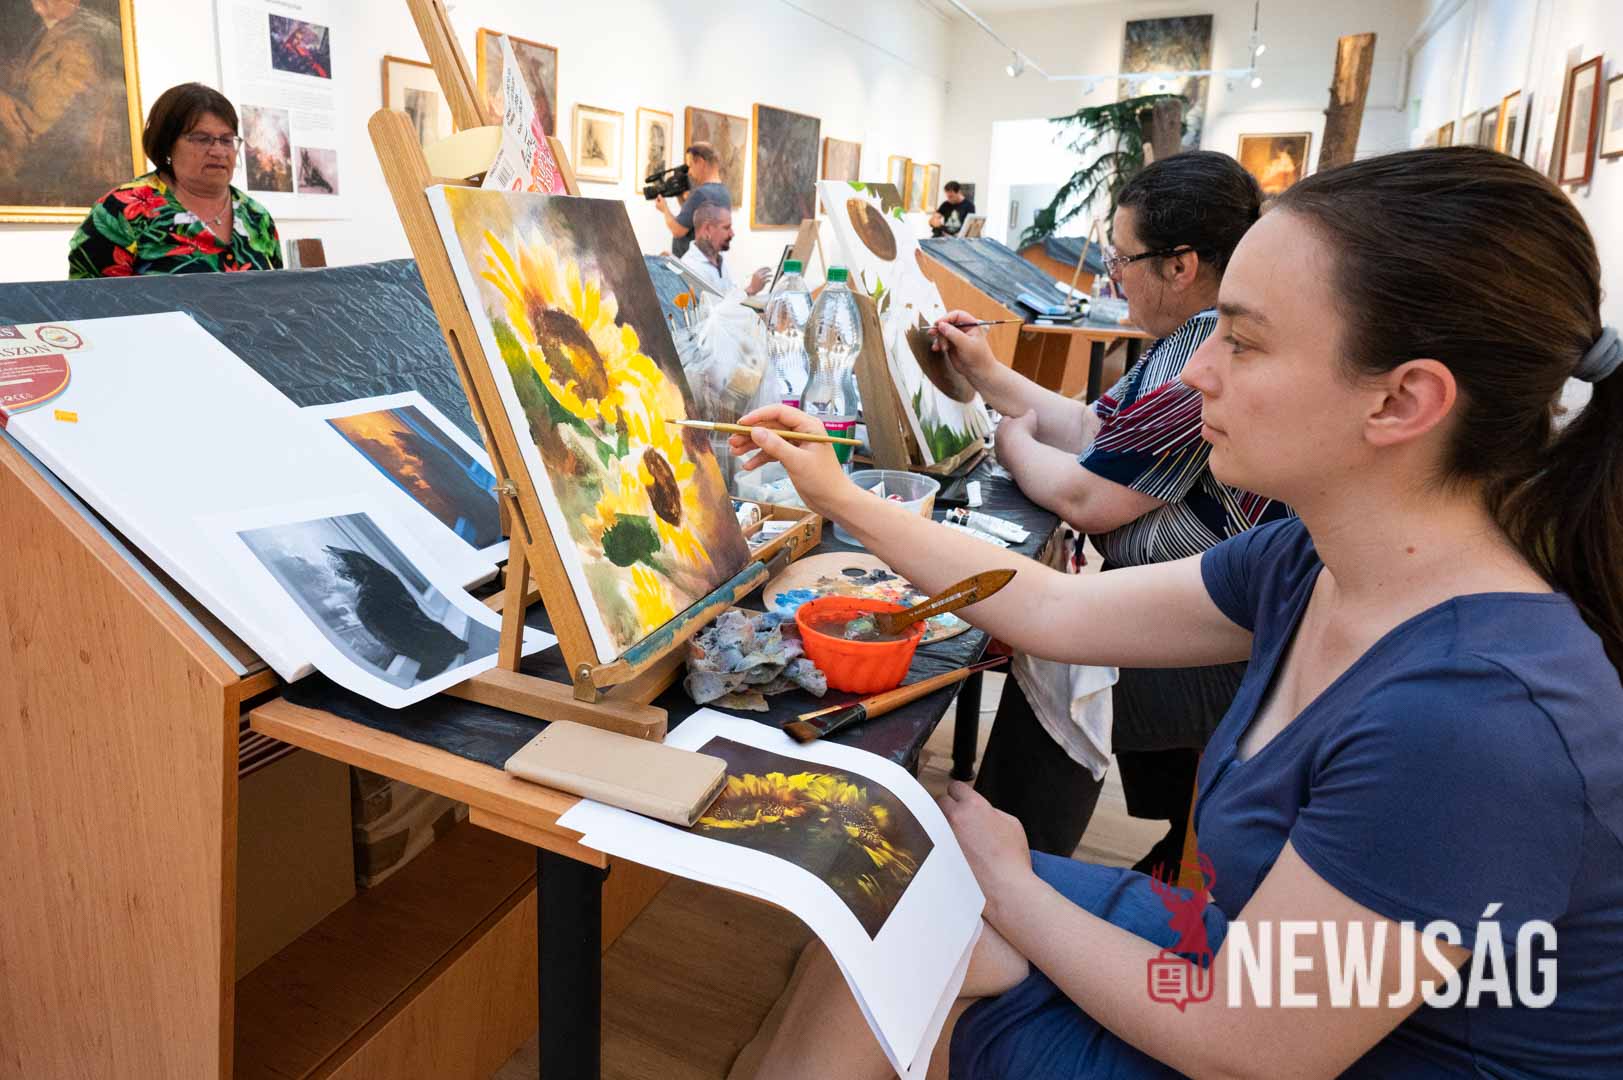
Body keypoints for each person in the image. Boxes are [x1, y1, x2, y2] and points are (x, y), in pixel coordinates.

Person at [728, 146, 1623, 1077]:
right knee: (887, 905)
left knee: (909, 948)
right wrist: (839, 495)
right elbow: (1054, 608)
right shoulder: (1308, 559)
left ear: (1402, 400)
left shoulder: (1473, 715)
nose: (1196, 373)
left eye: (1242, 340)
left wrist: (1010, 886)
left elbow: (1251, 1048)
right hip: (1264, 974)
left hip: (1319, 1044)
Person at [966, 151, 1288, 871]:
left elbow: (1088, 497)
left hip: (1228, 637)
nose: (1113, 276)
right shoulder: (1184, 340)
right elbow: (1095, 432)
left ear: (1179, 265)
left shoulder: (1205, 351)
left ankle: (1007, 868)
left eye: (1121, 258)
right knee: (1054, 629)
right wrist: (984, 372)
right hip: (1203, 600)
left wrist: (1012, 442)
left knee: (1060, 651)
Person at [67, 83, 282, 278]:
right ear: (167, 144)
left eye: (226, 140)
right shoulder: (121, 211)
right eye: (202, 139)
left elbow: (277, 295)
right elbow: (89, 302)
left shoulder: (256, 217)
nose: (218, 151)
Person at [0, 0, 128, 207]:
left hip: (46, 166)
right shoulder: (49, 31)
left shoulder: (79, 43)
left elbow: (49, 122)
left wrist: (4, 104)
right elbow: (27, 79)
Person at [654, 141, 730, 258]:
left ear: (700, 162)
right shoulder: (723, 192)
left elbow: (678, 230)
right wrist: (681, 197)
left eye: (690, 166)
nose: (689, 172)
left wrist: (664, 209)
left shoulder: (700, 194)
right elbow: (694, 219)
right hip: (708, 260)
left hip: (689, 263)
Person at [679, 203, 769, 297]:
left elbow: (729, 294)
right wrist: (751, 290)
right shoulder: (690, 268)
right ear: (707, 229)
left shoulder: (719, 258)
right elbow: (715, 306)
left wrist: (750, 290)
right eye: (726, 228)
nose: (732, 234)